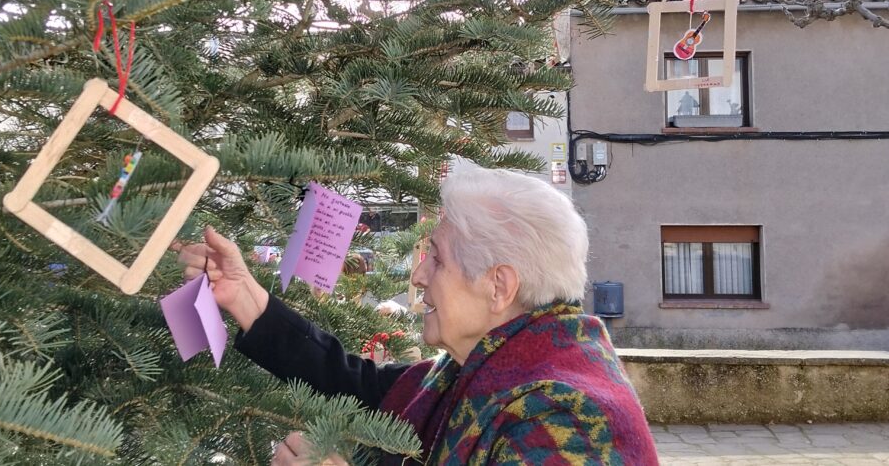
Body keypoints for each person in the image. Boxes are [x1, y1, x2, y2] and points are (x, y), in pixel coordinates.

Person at [178, 161, 659, 465]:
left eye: (438, 259)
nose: (419, 277)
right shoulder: (481, 370)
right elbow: (359, 385)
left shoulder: (565, 418)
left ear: (499, 286)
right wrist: (244, 297)